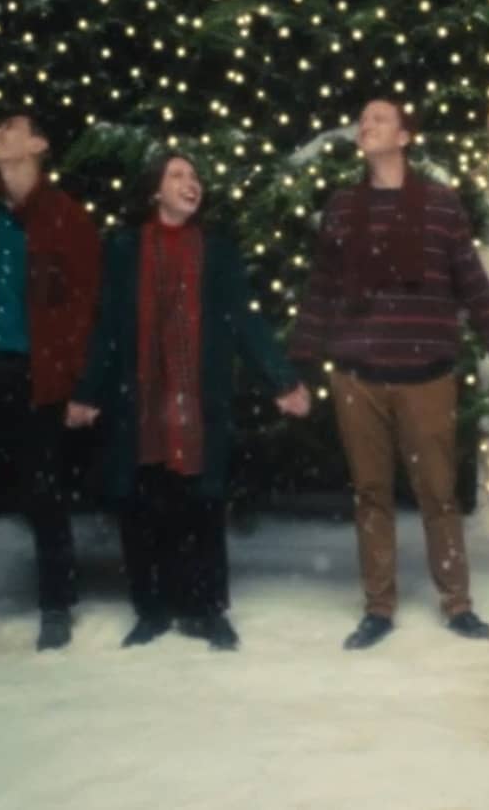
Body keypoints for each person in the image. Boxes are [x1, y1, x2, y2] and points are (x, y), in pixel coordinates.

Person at [290, 99, 489, 650]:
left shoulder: (439, 206)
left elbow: (473, 283)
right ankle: (378, 607)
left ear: (406, 136)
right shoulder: (343, 207)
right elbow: (322, 289)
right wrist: (297, 368)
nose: (367, 126)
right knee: (371, 494)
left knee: (438, 494)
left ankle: (457, 604)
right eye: (363, 119)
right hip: (358, 375)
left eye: (380, 119)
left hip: (427, 374)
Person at [66, 152, 311, 651]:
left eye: (195, 176)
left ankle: (206, 611)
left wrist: (283, 381)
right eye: (176, 175)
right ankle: (151, 610)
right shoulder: (124, 248)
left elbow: (244, 321)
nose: (190, 183)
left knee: (202, 503)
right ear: (154, 190)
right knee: (141, 504)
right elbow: (109, 326)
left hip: (199, 398)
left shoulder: (217, 252)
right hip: (141, 396)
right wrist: (88, 392)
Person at [0, 112, 100, 650]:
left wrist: (81, 387)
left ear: (38, 143)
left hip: (36, 375)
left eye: (8, 126)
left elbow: (85, 310)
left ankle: (56, 605)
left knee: (44, 493)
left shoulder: (65, 219)